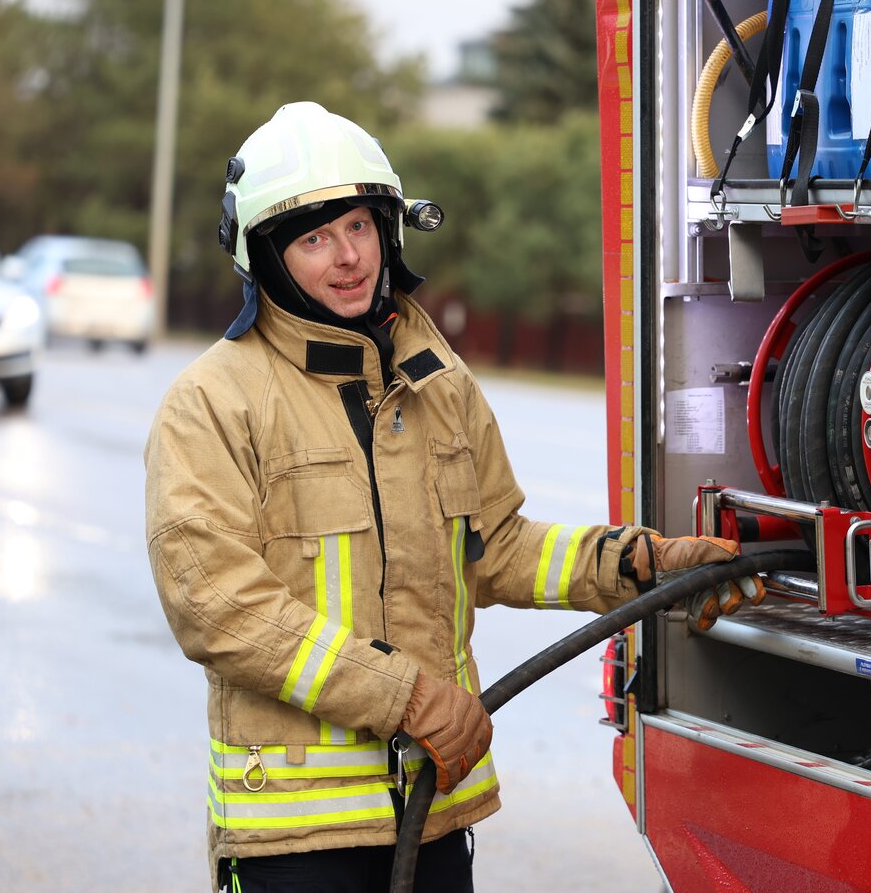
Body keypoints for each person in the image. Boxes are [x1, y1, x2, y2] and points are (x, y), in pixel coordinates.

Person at [144, 102, 764, 893]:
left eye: (361, 227)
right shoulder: (211, 403)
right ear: (264, 257)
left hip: (431, 815)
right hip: (293, 841)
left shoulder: (435, 381)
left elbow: (498, 548)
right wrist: (404, 699)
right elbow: (218, 608)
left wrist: (644, 565)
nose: (347, 258)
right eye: (313, 238)